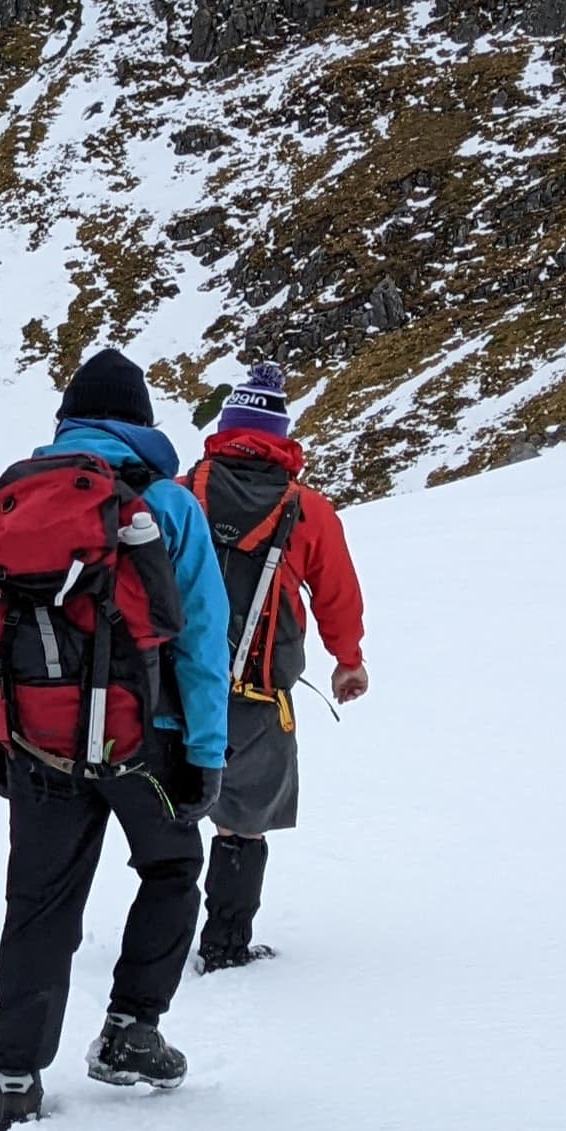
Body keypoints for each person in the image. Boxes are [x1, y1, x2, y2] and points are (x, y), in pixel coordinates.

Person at [0, 347, 229, 1130]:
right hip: (145, 740)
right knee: (171, 866)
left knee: (39, 903)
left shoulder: (16, 497)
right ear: (143, 423)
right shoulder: (168, 503)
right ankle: (131, 1030)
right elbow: (202, 640)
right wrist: (207, 753)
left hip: (38, 740)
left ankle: (17, 1074)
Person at [183, 363, 369, 968]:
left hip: (177, 688)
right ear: (281, 436)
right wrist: (348, 660)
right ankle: (225, 945)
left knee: (172, 815)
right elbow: (337, 591)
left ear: (226, 430)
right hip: (260, 692)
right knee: (244, 824)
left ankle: (156, 943)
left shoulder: (183, 494)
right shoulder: (307, 510)